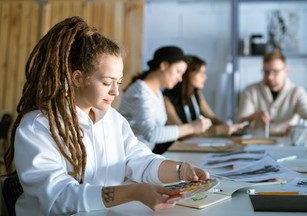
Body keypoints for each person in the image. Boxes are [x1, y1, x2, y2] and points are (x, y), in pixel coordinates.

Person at [3, 16, 210, 216]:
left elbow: (139, 160)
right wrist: (133, 192)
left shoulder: (112, 119)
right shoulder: (37, 127)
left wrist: (180, 170)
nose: (115, 91)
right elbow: (59, 198)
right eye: (106, 82)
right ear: (78, 78)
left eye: (118, 82)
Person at [119, 47, 212, 154]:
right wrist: (191, 128)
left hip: (144, 154)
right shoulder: (140, 91)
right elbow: (151, 133)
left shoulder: (157, 92)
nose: (180, 79)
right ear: (163, 65)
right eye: (178, 72)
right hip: (129, 157)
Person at [235, 50, 307, 136]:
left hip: (287, 142)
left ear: (286, 70)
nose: (270, 77)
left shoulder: (297, 92)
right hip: (257, 142)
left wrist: (303, 129)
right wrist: (253, 117)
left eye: (275, 72)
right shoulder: (250, 91)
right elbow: (238, 124)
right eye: (266, 72)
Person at [163, 55, 244, 136]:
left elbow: (211, 118)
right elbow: (181, 134)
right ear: (187, 74)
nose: (205, 77)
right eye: (201, 73)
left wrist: (228, 127)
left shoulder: (196, 94)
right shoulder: (166, 98)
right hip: (174, 146)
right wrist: (218, 130)